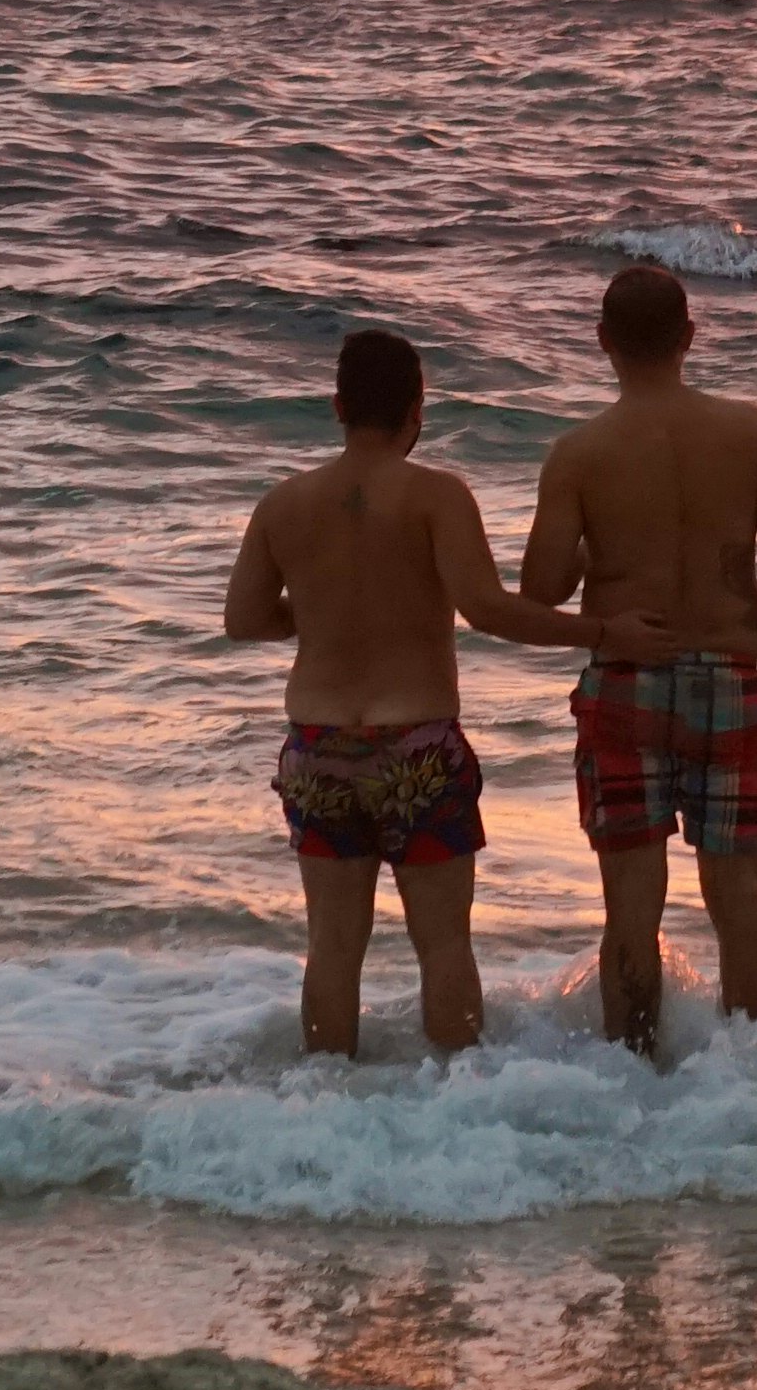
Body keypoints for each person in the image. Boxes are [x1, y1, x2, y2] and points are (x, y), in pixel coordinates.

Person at [224, 328, 665, 1058]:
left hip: (318, 749)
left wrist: (326, 611)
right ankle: (457, 1107)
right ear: (417, 412)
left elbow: (243, 619)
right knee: (443, 946)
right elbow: (489, 609)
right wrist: (601, 632)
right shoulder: (436, 496)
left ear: (336, 406)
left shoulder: (284, 504)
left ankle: (325, 1104)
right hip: (417, 749)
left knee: (332, 949)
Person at [521, 263, 757, 1055]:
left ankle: (630, 1077)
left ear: (602, 344)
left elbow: (541, 588)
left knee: (631, 904)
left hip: (625, 685)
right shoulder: (751, 432)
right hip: (731, 683)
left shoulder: (579, 452)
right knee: (740, 898)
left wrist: (607, 544)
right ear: (691, 336)